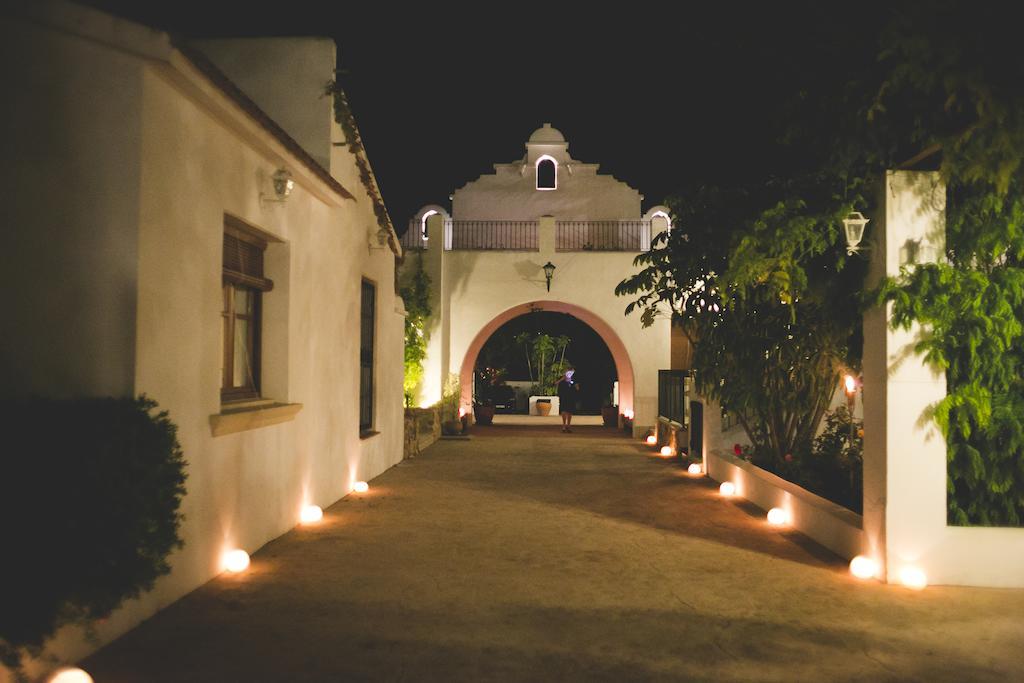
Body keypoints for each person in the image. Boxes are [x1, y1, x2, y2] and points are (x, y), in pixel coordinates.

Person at [556, 367, 579, 433]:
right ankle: (563, 425)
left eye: (572, 373)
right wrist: (562, 379)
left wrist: (575, 385)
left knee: (569, 412)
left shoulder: (574, 380)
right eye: (569, 372)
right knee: (564, 411)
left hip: (571, 397)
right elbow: (556, 383)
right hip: (563, 397)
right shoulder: (562, 379)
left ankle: (568, 426)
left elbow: (577, 389)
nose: (570, 374)